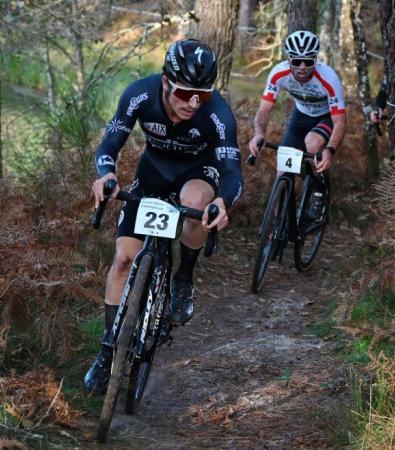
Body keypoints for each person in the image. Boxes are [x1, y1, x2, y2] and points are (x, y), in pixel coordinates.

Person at [84, 39, 244, 394]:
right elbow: (110, 144)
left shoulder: (217, 113)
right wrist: (107, 175)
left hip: (198, 172)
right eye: (186, 93)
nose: (192, 103)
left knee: (195, 201)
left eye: (201, 95)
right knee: (124, 260)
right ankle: (108, 351)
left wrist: (222, 203)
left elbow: (232, 172)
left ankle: (183, 279)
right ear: (166, 81)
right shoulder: (139, 95)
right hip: (153, 171)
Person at [248, 30, 346, 220]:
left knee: (312, 143)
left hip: (325, 117)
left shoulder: (329, 78)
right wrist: (259, 133)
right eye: (296, 61)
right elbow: (264, 110)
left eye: (308, 62)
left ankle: (319, 191)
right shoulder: (279, 73)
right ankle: (276, 229)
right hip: (300, 117)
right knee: (282, 173)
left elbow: (340, 121)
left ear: (315, 60)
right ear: (288, 59)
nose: (302, 67)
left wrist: (330, 150)